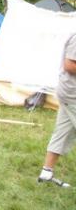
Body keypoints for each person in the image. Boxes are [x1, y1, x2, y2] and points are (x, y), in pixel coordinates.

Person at [37, 34, 76, 188]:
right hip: (72, 94)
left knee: (62, 132)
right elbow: (69, 65)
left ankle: (46, 173)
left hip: (68, 94)